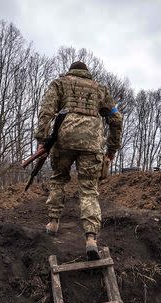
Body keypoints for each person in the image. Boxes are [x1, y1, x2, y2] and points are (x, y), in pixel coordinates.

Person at [34, 61, 122, 260]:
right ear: (87, 73)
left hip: (64, 140)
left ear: (71, 71)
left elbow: (46, 111)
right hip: (92, 143)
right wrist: (112, 149)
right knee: (89, 189)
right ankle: (91, 238)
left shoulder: (59, 83)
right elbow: (116, 119)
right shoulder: (101, 89)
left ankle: (53, 222)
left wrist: (41, 139)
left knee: (58, 178)